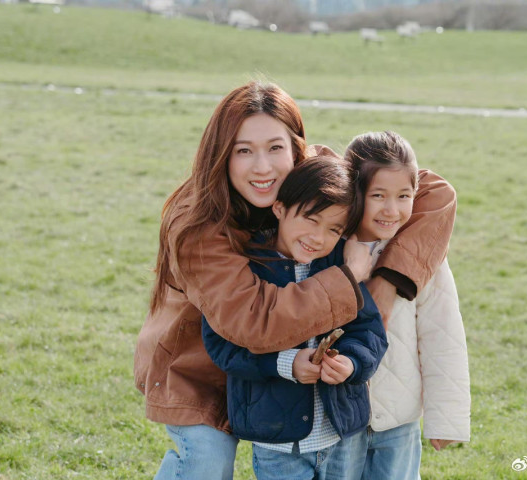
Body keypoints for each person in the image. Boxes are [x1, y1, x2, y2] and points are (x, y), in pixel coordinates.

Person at [133, 81, 457, 480]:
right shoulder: (197, 225)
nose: (263, 167)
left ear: (297, 148)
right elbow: (256, 322)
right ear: (221, 155)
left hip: (281, 382)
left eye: (275, 148)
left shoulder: (311, 179)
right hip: (202, 367)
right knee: (206, 462)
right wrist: (348, 278)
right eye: (243, 151)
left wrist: (386, 284)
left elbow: (435, 193)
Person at [202, 156, 388, 480]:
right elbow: (222, 344)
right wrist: (285, 364)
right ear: (279, 208)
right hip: (277, 441)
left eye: (334, 229)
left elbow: (369, 330)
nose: (318, 237)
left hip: (343, 434)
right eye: (310, 220)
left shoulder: (338, 265)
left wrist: (352, 363)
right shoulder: (248, 267)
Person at [326, 131, 471, 480]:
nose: (392, 210)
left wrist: (446, 418)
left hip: (399, 422)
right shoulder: (326, 248)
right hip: (339, 420)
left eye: (404, 196)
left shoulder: (424, 258)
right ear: (353, 192)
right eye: (378, 196)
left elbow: (442, 336)